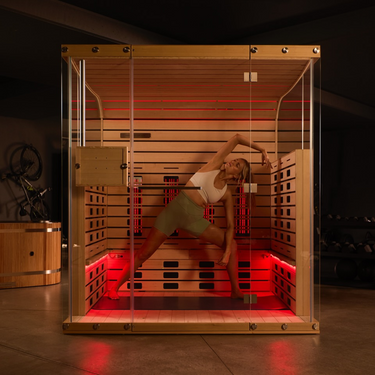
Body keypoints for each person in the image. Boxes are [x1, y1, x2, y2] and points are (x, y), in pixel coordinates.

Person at [108, 133, 271, 300]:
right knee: (143, 254)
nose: (231, 161)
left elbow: (230, 226)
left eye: (236, 165)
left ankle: (236, 291)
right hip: (172, 213)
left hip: (194, 220)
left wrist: (227, 251)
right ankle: (114, 288)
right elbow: (236, 138)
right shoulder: (214, 164)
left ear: (237, 176)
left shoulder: (226, 193)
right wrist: (262, 149)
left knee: (233, 245)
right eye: (235, 159)